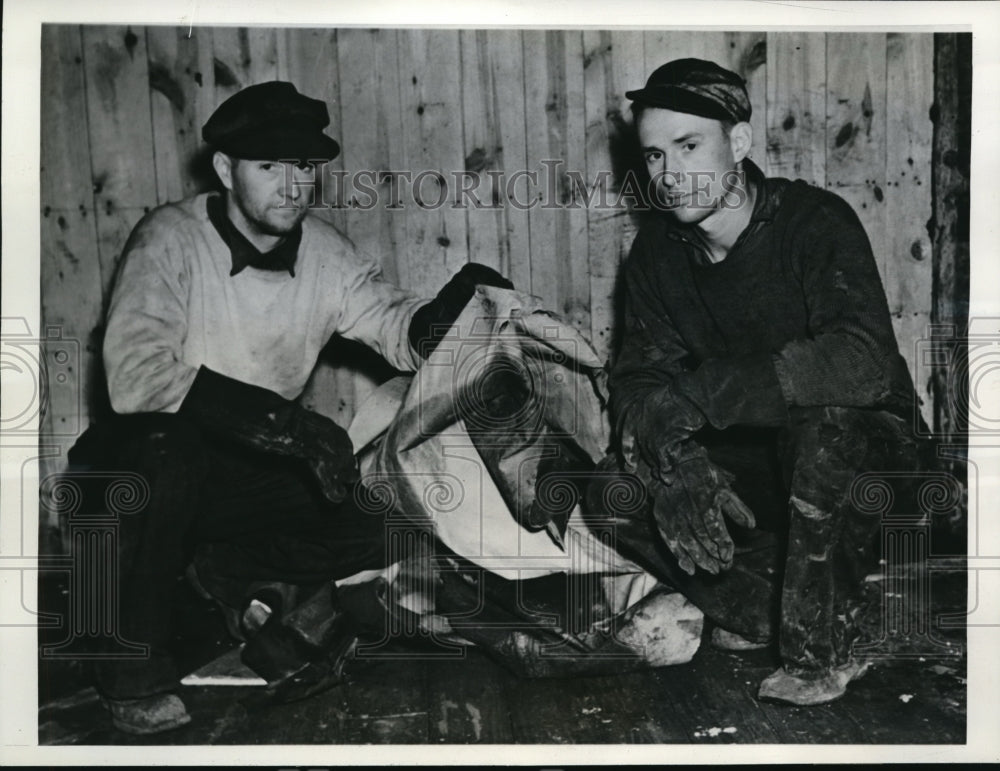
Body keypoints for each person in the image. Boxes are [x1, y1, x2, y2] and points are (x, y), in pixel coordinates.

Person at [75, 81, 512, 734]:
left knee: (379, 516)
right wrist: (284, 425)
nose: (291, 184)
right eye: (268, 166)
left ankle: (224, 570)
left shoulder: (325, 251)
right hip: (140, 472)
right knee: (164, 454)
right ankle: (128, 660)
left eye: (304, 167)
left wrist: (444, 315)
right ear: (225, 170)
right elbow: (134, 379)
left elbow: (388, 321)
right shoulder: (168, 239)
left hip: (243, 473)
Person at [592, 58, 925, 705]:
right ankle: (784, 604)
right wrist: (674, 460)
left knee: (822, 425)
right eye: (655, 155)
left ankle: (818, 649)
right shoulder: (659, 255)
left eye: (689, 146)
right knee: (611, 489)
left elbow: (859, 362)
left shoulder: (813, 222)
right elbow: (636, 384)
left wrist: (701, 394)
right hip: (768, 480)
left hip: (873, 467)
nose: (670, 174)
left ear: (738, 144)